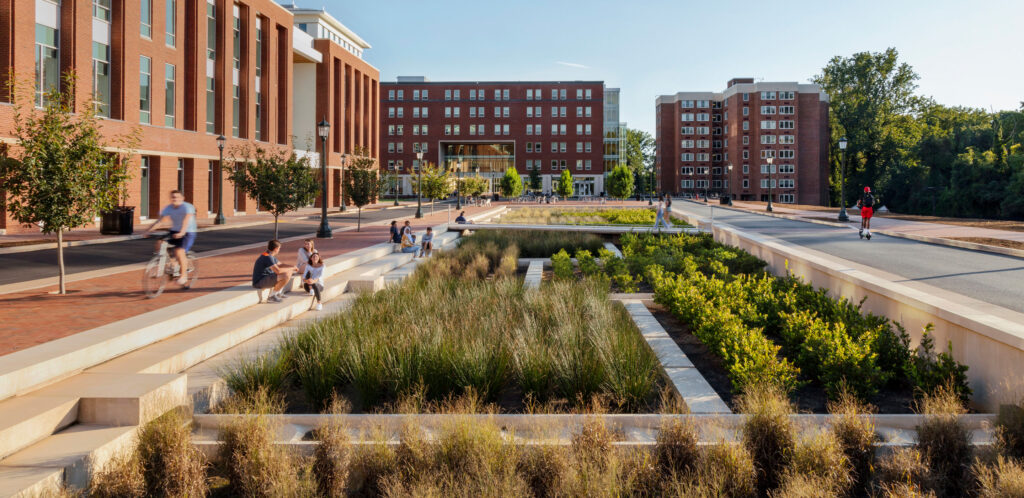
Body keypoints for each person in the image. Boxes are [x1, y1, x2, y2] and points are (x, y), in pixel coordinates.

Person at [144, 190, 197, 287]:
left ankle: (183, 276)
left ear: (182, 198)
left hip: (188, 232)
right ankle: (171, 265)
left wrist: (182, 232)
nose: (175, 199)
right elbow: (160, 221)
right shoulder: (169, 208)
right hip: (174, 231)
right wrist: (148, 230)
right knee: (160, 243)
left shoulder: (187, 207)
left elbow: (186, 220)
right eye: (173, 197)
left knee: (178, 251)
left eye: (177, 197)